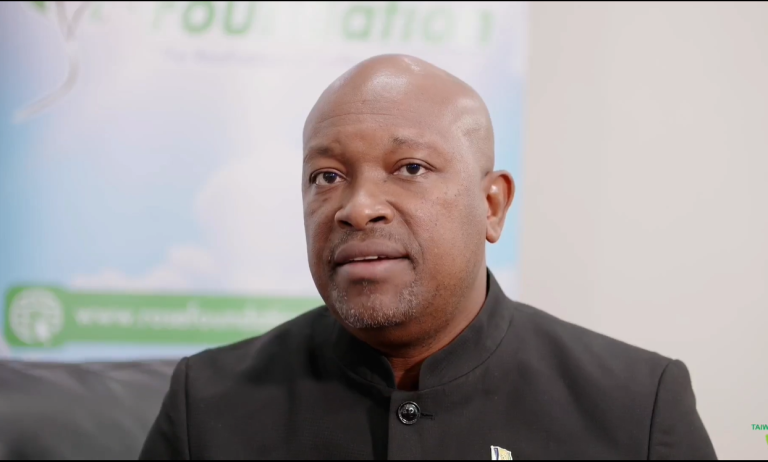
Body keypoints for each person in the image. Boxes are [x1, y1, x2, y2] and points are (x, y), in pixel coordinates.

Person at [139, 55, 716, 460]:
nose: (358, 208)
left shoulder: (638, 406)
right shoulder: (207, 403)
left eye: (410, 168)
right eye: (327, 176)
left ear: (491, 205)